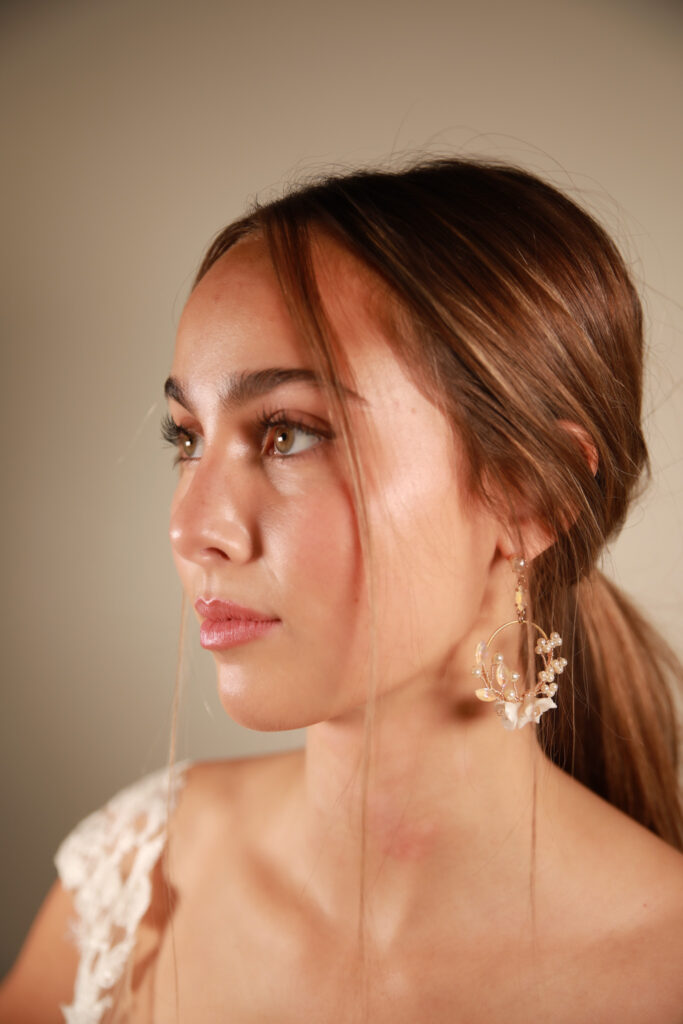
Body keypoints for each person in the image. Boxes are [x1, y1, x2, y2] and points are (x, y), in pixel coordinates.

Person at [2, 157, 683, 1023]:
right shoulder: (136, 881)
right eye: (186, 437)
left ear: (532, 492)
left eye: (286, 433)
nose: (191, 526)